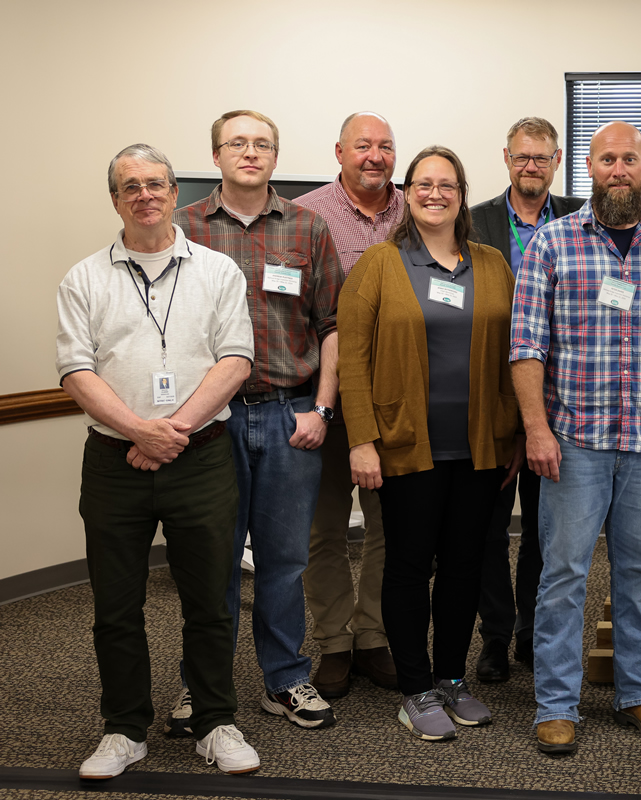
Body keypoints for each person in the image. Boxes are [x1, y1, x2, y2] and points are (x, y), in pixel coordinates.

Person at [511, 121, 641, 755]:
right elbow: (526, 347)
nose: (619, 169)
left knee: (640, 573)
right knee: (563, 575)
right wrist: (536, 429)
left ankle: (640, 692)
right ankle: (556, 704)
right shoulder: (552, 243)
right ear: (590, 168)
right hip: (574, 441)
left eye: (629, 158)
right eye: (607, 159)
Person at [58, 144, 260, 777]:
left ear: (174, 193)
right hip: (113, 464)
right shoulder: (84, 278)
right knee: (116, 607)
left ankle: (215, 722)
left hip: (201, 460)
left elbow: (236, 359)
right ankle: (124, 730)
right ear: (115, 199)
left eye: (155, 183)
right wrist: (139, 432)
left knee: (211, 601)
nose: (144, 194)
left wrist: (171, 432)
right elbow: (75, 369)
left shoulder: (218, 271)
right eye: (130, 186)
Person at [338, 145, 523, 742]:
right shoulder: (379, 264)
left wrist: (519, 432)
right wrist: (362, 441)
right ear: (407, 193)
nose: (435, 193)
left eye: (447, 184)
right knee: (409, 566)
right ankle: (415, 688)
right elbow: (352, 360)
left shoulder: (492, 264)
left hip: (481, 447)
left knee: (466, 567)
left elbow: (519, 353)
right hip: (404, 447)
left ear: (462, 195)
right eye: (423, 183)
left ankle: (451, 679)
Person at [173, 110, 343, 731]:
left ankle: (286, 679)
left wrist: (321, 409)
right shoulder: (182, 227)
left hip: (289, 418)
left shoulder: (307, 227)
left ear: (275, 155)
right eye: (237, 143)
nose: (250, 152)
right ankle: (203, 686)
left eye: (262, 144)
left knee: (285, 559)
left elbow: (333, 325)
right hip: (210, 422)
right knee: (211, 561)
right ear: (216, 155)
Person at [468, 116, 584, 683]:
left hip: (558, 400)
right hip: (491, 395)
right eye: (522, 156)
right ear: (506, 158)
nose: (531, 165)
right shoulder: (475, 222)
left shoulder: (583, 218)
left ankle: (532, 632)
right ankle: (494, 634)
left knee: (547, 530)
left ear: (557, 160)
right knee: (488, 529)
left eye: (541, 156)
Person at [293, 112, 403, 697]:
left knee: (390, 528)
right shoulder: (305, 215)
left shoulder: (416, 211)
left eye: (385, 146)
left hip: (397, 400)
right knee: (326, 528)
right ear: (339, 151)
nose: (375, 156)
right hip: (328, 396)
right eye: (363, 145)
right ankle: (334, 640)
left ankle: (373, 635)